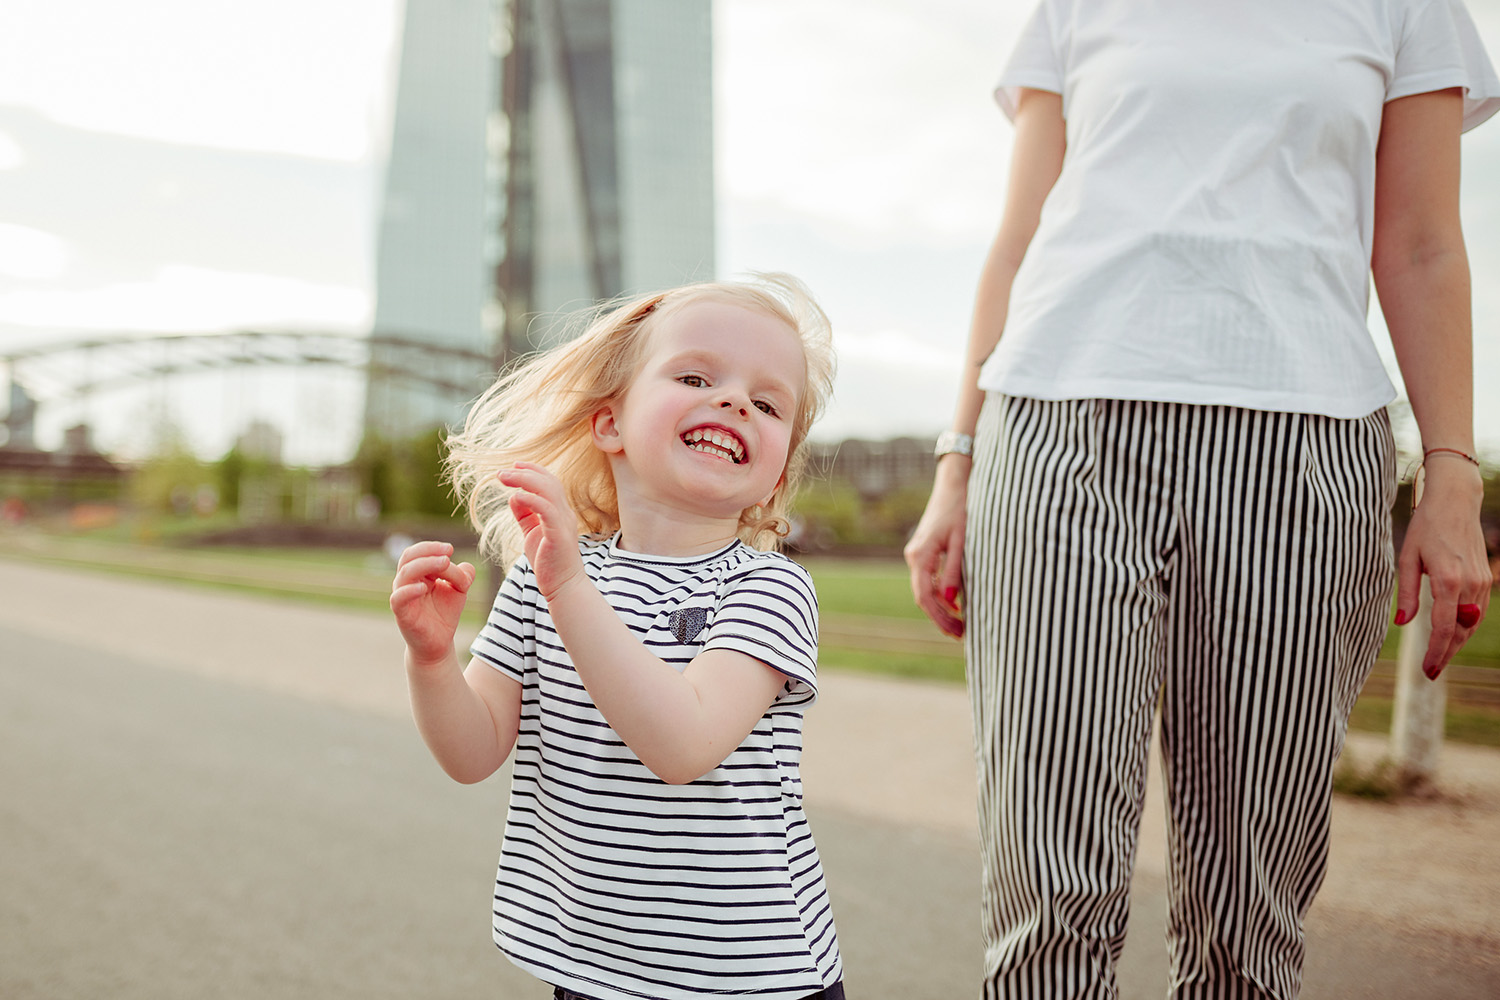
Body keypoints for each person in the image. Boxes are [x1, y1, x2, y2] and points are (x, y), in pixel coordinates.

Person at [905, 2, 1499, 997]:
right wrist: (955, 462)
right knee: (1045, 896)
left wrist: (1451, 469)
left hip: (1301, 445)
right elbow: (1019, 239)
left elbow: (1425, 243)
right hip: (1059, 429)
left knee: (1246, 925)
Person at [389, 274, 844, 1000]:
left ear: (775, 473)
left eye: (766, 402)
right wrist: (433, 659)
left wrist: (569, 586)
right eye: (696, 375)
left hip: (748, 975)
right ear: (610, 424)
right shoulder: (544, 574)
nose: (733, 400)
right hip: (592, 970)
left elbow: (682, 745)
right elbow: (472, 753)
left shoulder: (768, 589)